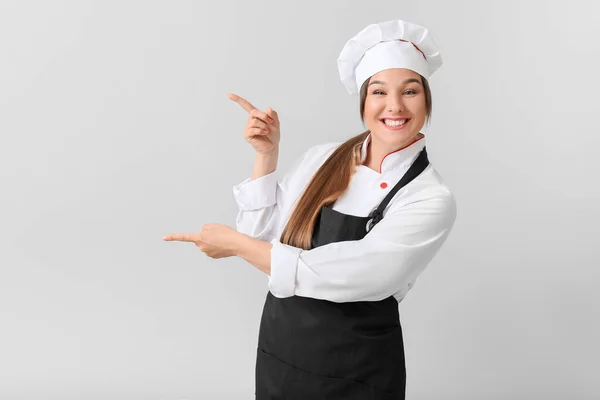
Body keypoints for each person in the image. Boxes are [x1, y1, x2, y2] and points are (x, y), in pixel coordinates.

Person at [164, 19, 457, 399]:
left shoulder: (429, 197)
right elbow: (263, 239)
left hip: (358, 370)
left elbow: (360, 273)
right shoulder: (323, 159)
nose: (394, 106)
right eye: (379, 91)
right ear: (364, 102)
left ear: (427, 100)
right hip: (283, 354)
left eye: (410, 91)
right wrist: (266, 156)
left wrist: (235, 244)